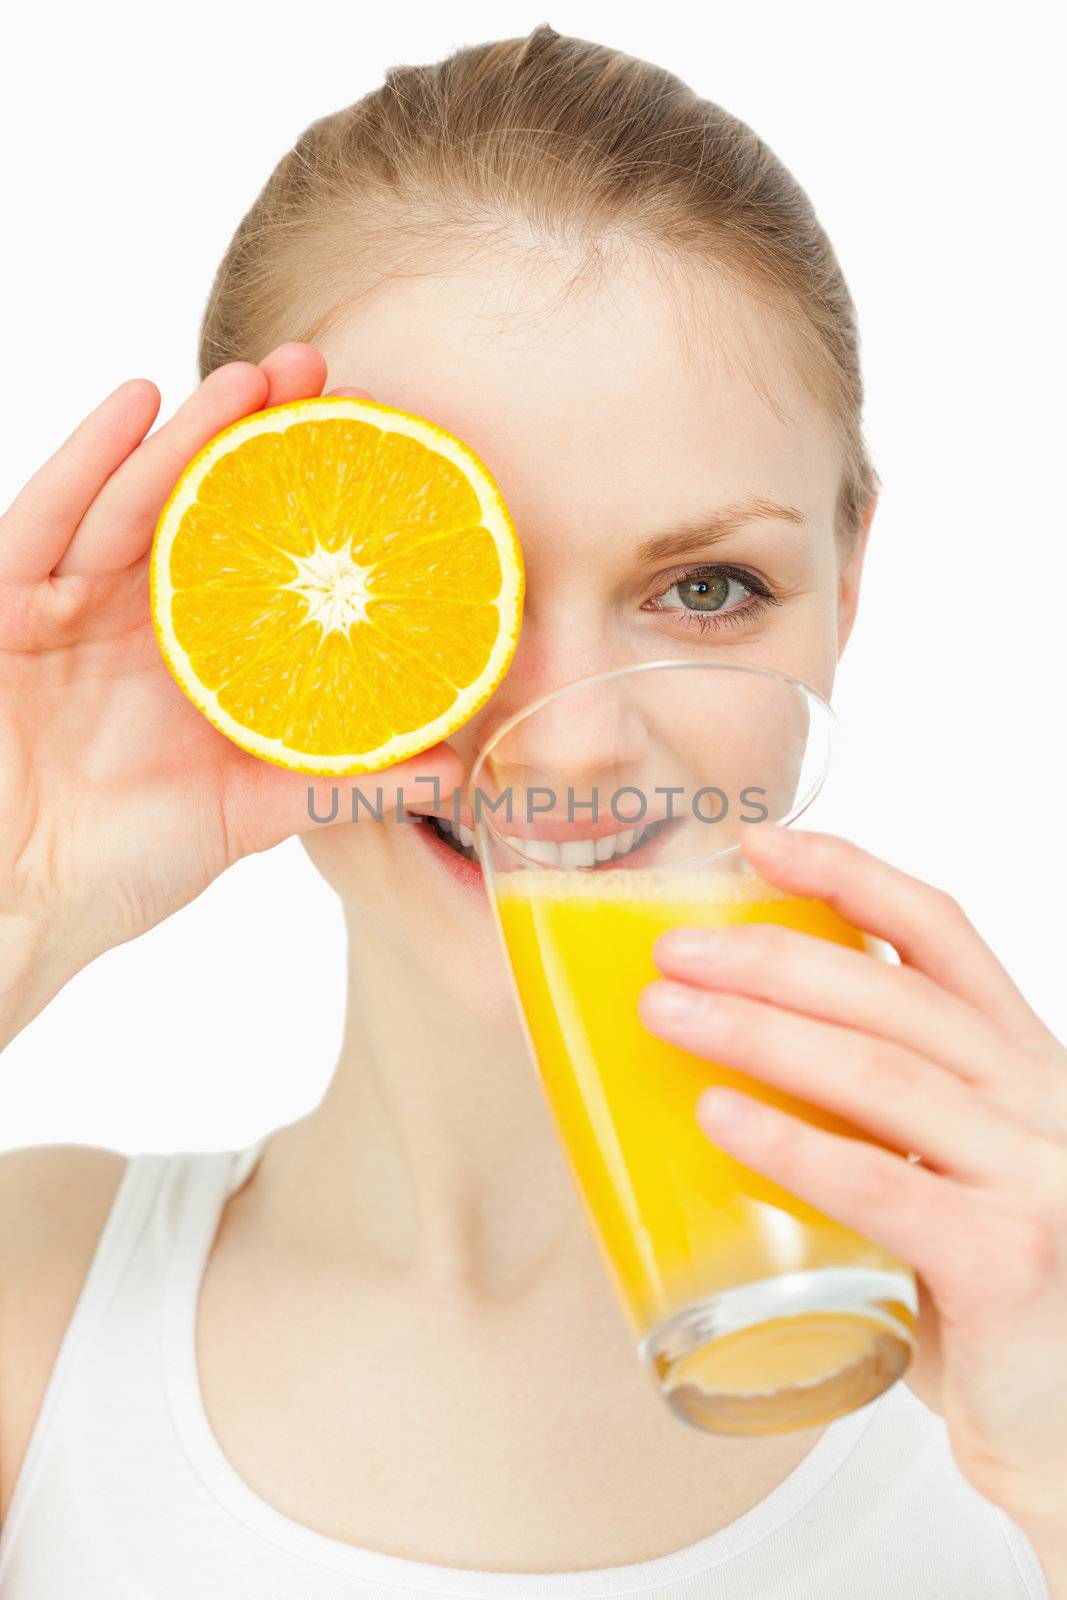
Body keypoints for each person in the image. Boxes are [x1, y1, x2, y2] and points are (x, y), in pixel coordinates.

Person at [0, 23, 1063, 1598]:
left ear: (851, 586)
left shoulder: (1038, 1341)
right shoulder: (39, 1312)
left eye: (709, 587)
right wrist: (23, 893)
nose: (568, 754)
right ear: (245, 621)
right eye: (448, 594)